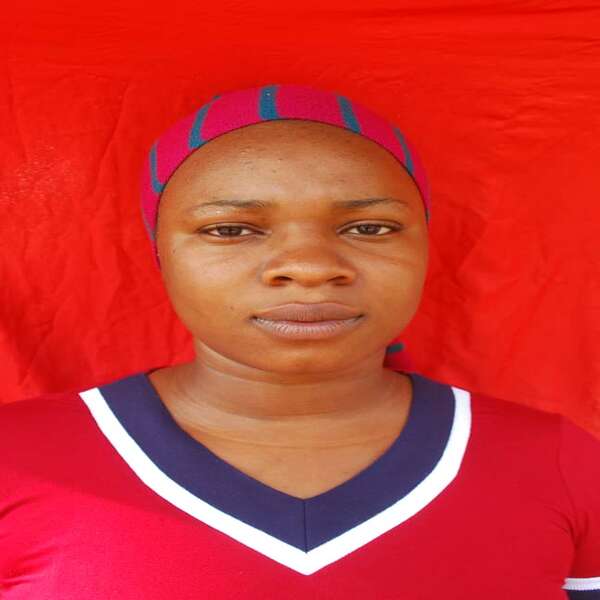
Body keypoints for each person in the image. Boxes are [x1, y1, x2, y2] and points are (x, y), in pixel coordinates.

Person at [1, 83, 599, 599]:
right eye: (231, 229)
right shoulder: (16, 458)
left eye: (369, 227)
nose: (310, 267)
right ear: (161, 253)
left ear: (424, 244)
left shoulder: (560, 463)